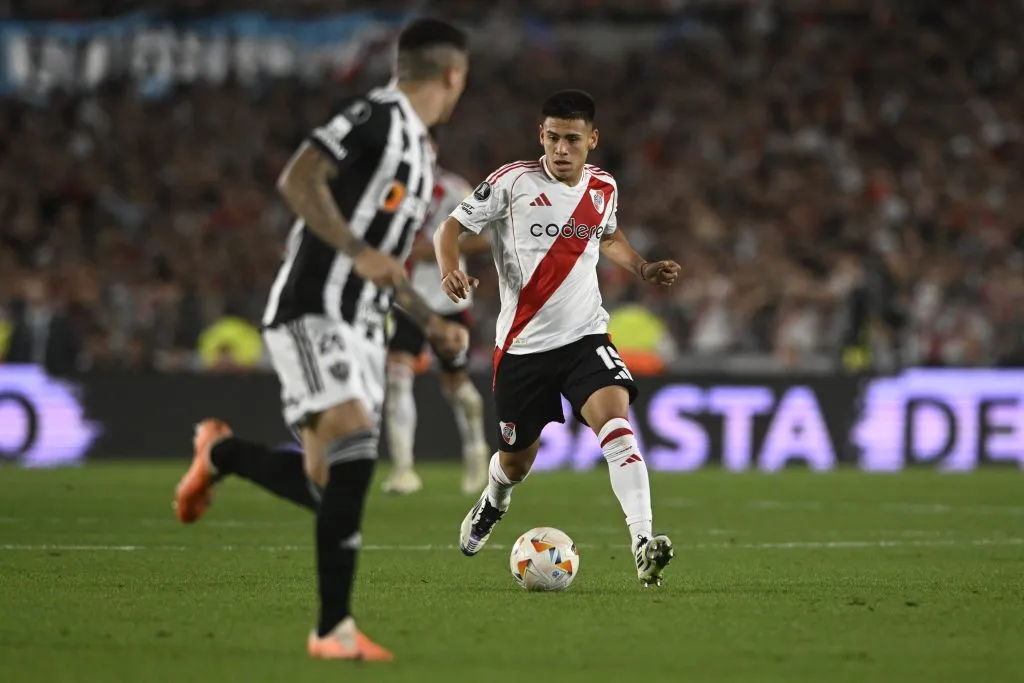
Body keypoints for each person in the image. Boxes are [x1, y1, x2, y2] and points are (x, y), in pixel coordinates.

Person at [172, 18, 471, 662]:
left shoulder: (420, 156)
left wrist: (431, 320)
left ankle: (221, 454)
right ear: (453, 76)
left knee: (325, 486)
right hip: (315, 308)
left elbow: (388, 263)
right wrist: (357, 249)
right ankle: (333, 630)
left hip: (364, 328)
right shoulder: (379, 116)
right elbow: (298, 178)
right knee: (356, 443)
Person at [434, 90, 681, 586]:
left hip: (585, 337)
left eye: (572, 139)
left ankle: (641, 542)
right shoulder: (512, 182)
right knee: (516, 463)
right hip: (523, 349)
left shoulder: (603, 187)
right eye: (552, 138)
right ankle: (494, 500)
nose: (561, 149)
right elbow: (450, 228)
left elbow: (608, 236)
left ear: (593, 140)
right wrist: (449, 270)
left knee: (617, 426)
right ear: (540, 136)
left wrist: (642, 267)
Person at [383, 131, 491, 496]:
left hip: (449, 301)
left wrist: (436, 251)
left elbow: (485, 237)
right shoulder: (394, 191)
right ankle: (403, 470)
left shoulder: (454, 189)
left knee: (456, 385)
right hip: (407, 301)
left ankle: (476, 451)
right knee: (397, 377)